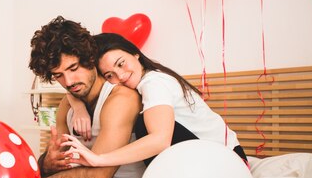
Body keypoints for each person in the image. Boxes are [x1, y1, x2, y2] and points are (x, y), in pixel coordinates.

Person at [28, 17, 147, 178]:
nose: (69, 82)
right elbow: (61, 165)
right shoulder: (68, 103)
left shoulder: (120, 99)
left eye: (73, 68)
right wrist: (48, 164)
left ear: (90, 58)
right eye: (59, 76)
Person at [62, 32, 248, 168]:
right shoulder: (148, 79)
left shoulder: (154, 83)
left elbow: (160, 140)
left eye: (121, 63)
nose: (120, 75)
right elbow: (73, 89)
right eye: (109, 75)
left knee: (144, 126)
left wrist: (99, 159)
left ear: (135, 53)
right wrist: (78, 107)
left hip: (230, 164)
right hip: (220, 159)